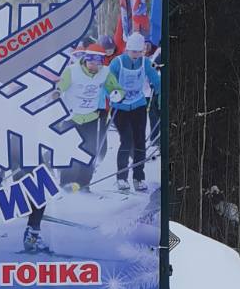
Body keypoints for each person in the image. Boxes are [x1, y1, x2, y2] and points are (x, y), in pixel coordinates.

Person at [103, 32, 161, 192]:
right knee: (126, 140)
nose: (136, 55)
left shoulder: (145, 63)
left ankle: (138, 177)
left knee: (140, 142)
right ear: (127, 49)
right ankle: (121, 178)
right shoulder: (117, 63)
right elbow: (108, 82)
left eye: (139, 51)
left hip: (138, 105)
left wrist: (160, 94)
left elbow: (156, 80)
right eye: (133, 51)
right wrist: (112, 93)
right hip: (120, 108)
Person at [56, 40, 111, 191]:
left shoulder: (105, 72)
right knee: (70, 149)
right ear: (86, 60)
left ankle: (84, 183)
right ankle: (66, 183)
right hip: (72, 117)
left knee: (91, 150)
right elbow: (62, 85)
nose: (94, 67)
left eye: (98, 63)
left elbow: (113, 86)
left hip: (91, 117)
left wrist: (117, 93)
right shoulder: (72, 70)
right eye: (92, 63)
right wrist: (57, 92)